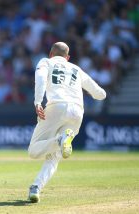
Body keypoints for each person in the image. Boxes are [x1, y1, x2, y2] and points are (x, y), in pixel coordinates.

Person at [27, 42, 106, 203]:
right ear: (67, 57)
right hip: (77, 112)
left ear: (51, 54)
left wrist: (37, 102)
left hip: (56, 106)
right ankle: (36, 187)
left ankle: (60, 140)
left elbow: (40, 78)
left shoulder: (45, 62)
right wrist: (99, 94)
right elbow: (100, 94)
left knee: (33, 151)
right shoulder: (76, 68)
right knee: (55, 156)